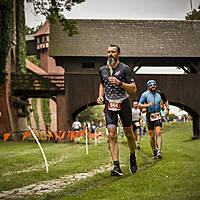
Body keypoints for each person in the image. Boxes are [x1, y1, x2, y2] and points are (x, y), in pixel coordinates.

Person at [97, 44, 137, 176]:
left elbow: (133, 88)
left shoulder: (125, 69)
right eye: (108, 52)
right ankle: (116, 166)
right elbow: (102, 84)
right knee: (111, 135)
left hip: (123, 103)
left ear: (118, 54)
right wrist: (100, 96)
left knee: (129, 133)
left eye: (113, 52)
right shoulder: (102, 69)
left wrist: (120, 83)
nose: (110, 54)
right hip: (110, 104)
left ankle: (132, 156)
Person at [138, 80, 164, 159]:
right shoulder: (145, 94)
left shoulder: (159, 94)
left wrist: (164, 107)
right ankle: (154, 150)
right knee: (152, 136)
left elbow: (164, 101)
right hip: (149, 116)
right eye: (151, 85)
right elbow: (139, 105)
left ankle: (159, 150)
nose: (153, 86)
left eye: (154, 85)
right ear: (148, 86)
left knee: (158, 133)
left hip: (158, 115)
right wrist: (147, 105)